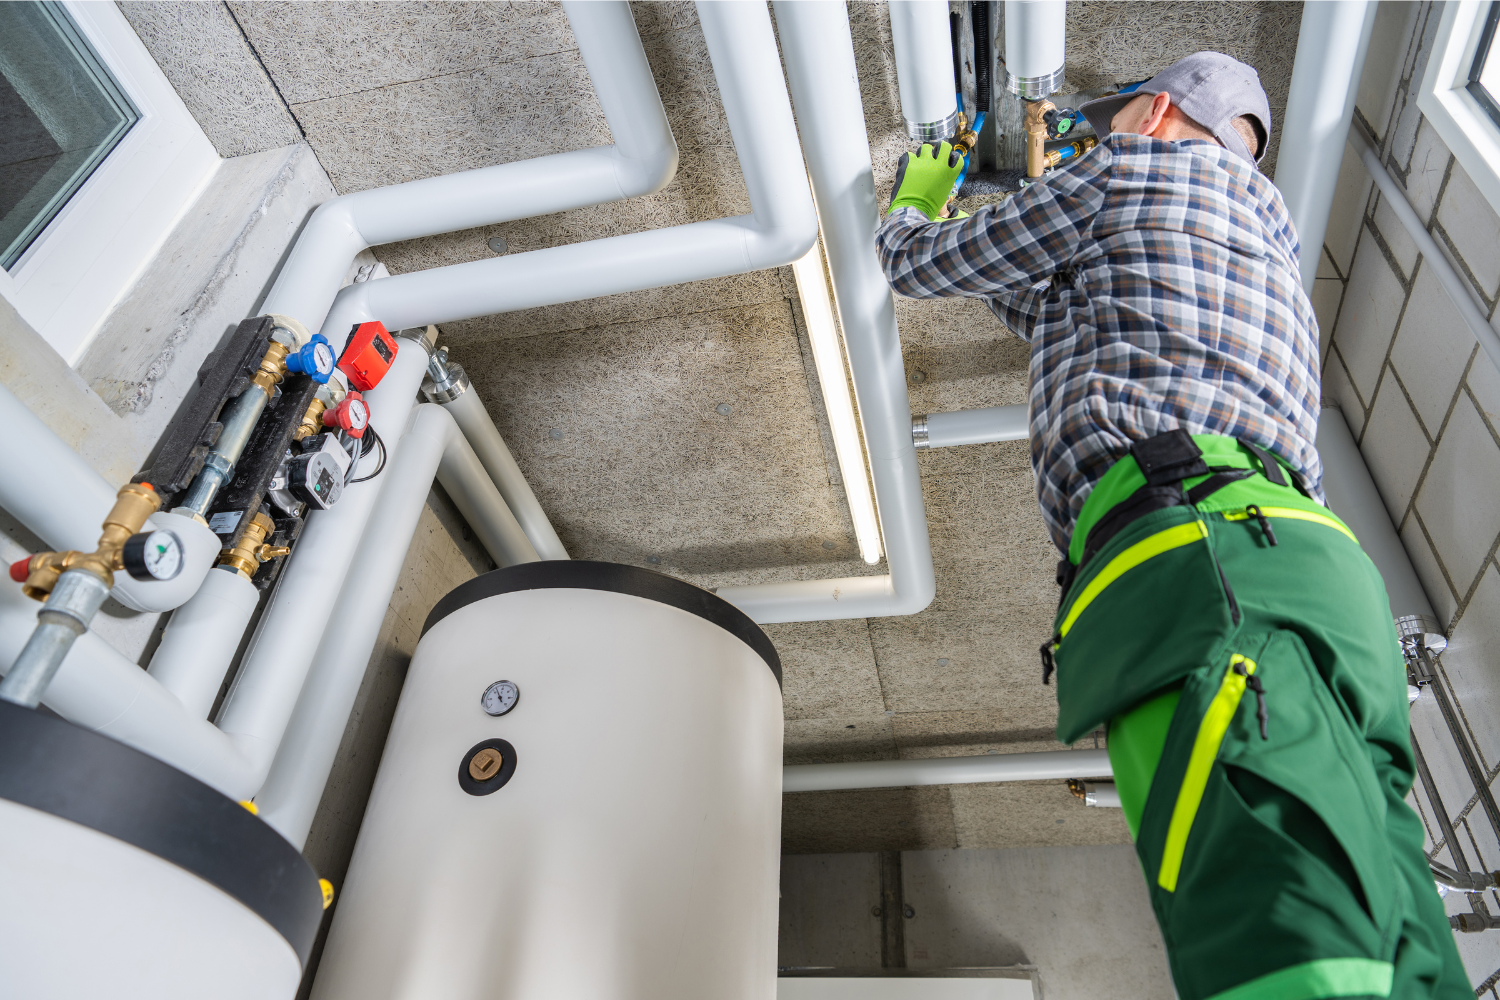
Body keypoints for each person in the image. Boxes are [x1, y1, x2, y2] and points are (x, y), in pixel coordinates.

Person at [876, 51, 1469, 1000]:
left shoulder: (1128, 170)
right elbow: (1058, 309)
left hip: (1206, 563)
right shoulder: (1265, 236)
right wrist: (981, 235)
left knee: (1287, 933)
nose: (1098, 140)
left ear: (1153, 114)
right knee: (1395, 943)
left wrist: (913, 208)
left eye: (1111, 125)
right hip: (1292, 569)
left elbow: (914, 267)